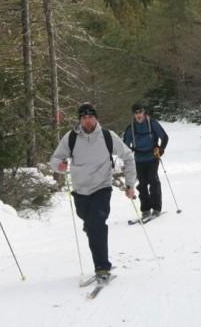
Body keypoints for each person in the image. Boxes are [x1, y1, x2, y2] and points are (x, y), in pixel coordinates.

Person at [50, 102, 137, 283]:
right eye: (84, 118)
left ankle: (102, 267)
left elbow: (128, 156)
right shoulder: (71, 138)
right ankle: (92, 234)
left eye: (90, 117)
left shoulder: (107, 136)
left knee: (97, 224)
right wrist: (60, 165)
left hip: (101, 187)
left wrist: (130, 185)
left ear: (96, 118)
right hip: (80, 190)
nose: (87, 121)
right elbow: (55, 159)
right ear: (80, 120)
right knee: (89, 223)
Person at [122, 103, 169, 219]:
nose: (138, 115)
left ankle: (156, 208)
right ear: (133, 115)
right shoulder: (131, 128)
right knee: (142, 184)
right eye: (136, 113)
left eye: (140, 112)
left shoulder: (152, 124)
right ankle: (145, 209)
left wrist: (161, 149)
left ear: (144, 112)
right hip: (138, 159)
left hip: (153, 157)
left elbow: (164, 137)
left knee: (153, 180)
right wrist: (127, 154)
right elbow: (125, 146)